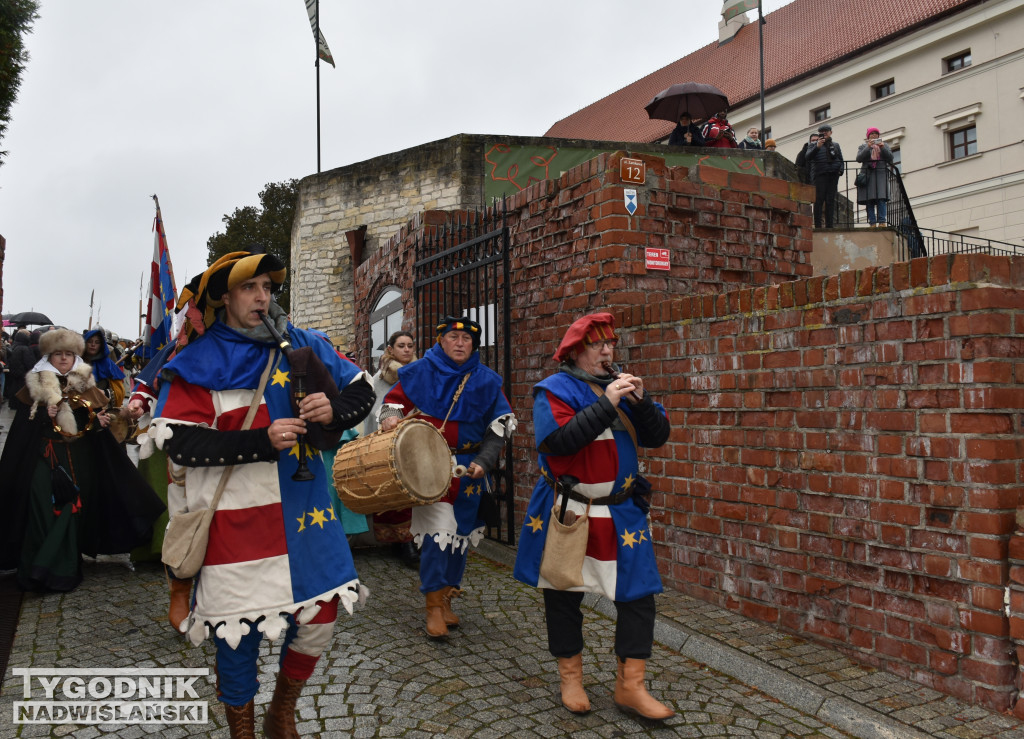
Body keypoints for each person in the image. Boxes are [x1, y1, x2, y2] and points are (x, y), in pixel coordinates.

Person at [149, 251, 376, 738]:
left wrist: (331, 411)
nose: (262, 297)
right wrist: (260, 441)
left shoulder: (302, 343)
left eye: (268, 288)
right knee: (237, 636)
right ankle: (243, 731)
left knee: (322, 614)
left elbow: (361, 391)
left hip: (305, 512)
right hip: (236, 516)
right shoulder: (197, 360)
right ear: (225, 297)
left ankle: (281, 712)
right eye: (250, 288)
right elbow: (180, 442)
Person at [513, 312, 673, 721]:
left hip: (622, 514)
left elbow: (656, 438)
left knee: (638, 597)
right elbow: (558, 442)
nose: (607, 351)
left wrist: (642, 401)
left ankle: (630, 686)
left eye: (611, 344)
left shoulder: (619, 389)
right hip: (572, 510)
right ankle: (571, 678)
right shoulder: (554, 390)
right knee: (563, 596)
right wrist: (608, 403)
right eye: (597, 345)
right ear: (575, 351)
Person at [379, 316, 515, 639]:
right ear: (441, 341)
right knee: (438, 537)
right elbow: (393, 402)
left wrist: (484, 461)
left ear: (473, 345)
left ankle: (447, 598)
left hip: (469, 471)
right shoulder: (421, 371)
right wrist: (390, 419)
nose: (459, 343)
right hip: (429, 465)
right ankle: (433, 607)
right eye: (453, 337)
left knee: (460, 539)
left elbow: (499, 427)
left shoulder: (486, 380)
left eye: (466, 339)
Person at [0, 329, 163, 592]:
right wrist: (44, 415)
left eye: (68, 354)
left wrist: (99, 422)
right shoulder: (35, 384)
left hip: (80, 461)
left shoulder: (87, 385)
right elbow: (22, 428)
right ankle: (38, 565)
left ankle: (60, 565)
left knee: (72, 509)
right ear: (49, 356)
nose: (63, 359)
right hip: (45, 457)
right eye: (57, 354)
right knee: (42, 504)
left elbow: (96, 425)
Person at [365, 330, 420, 567]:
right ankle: (400, 541)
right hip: (386, 441)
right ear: (390, 350)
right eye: (401, 346)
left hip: (416, 441)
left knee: (415, 490)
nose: (406, 350)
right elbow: (374, 410)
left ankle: (414, 538)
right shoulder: (379, 381)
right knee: (393, 491)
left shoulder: (421, 375)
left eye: (409, 345)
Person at [805, 123, 844, 228]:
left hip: (833, 175)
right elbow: (808, 157)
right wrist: (817, 146)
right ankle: (818, 225)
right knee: (819, 200)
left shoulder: (835, 145)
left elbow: (840, 159)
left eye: (826, 131)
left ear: (830, 133)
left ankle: (829, 225)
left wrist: (840, 170)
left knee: (830, 200)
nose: (824, 133)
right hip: (820, 174)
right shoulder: (813, 145)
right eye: (822, 132)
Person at [856, 127, 894, 227]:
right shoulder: (863, 146)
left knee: (881, 198)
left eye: (875, 133)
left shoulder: (884, 145)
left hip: (880, 175)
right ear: (868, 136)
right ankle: (872, 222)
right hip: (867, 176)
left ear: (878, 135)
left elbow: (890, 158)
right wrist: (868, 147)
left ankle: (882, 221)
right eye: (871, 134)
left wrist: (882, 147)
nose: (873, 135)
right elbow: (859, 158)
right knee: (869, 200)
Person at [82, 327, 126, 409]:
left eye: (97, 342)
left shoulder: (108, 364)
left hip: (102, 407)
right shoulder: (77, 362)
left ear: (101, 345)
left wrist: (105, 393)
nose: (93, 345)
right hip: (79, 406)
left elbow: (119, 391)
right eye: (90, 341)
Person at [7, 328, 34, 409]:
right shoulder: (24, 348)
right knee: (21, 390)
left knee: (14, 388)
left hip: (14, 372)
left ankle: (13, 404)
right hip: (22, 373)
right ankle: (19, 404)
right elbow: (28, 362)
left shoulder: (14, 347)